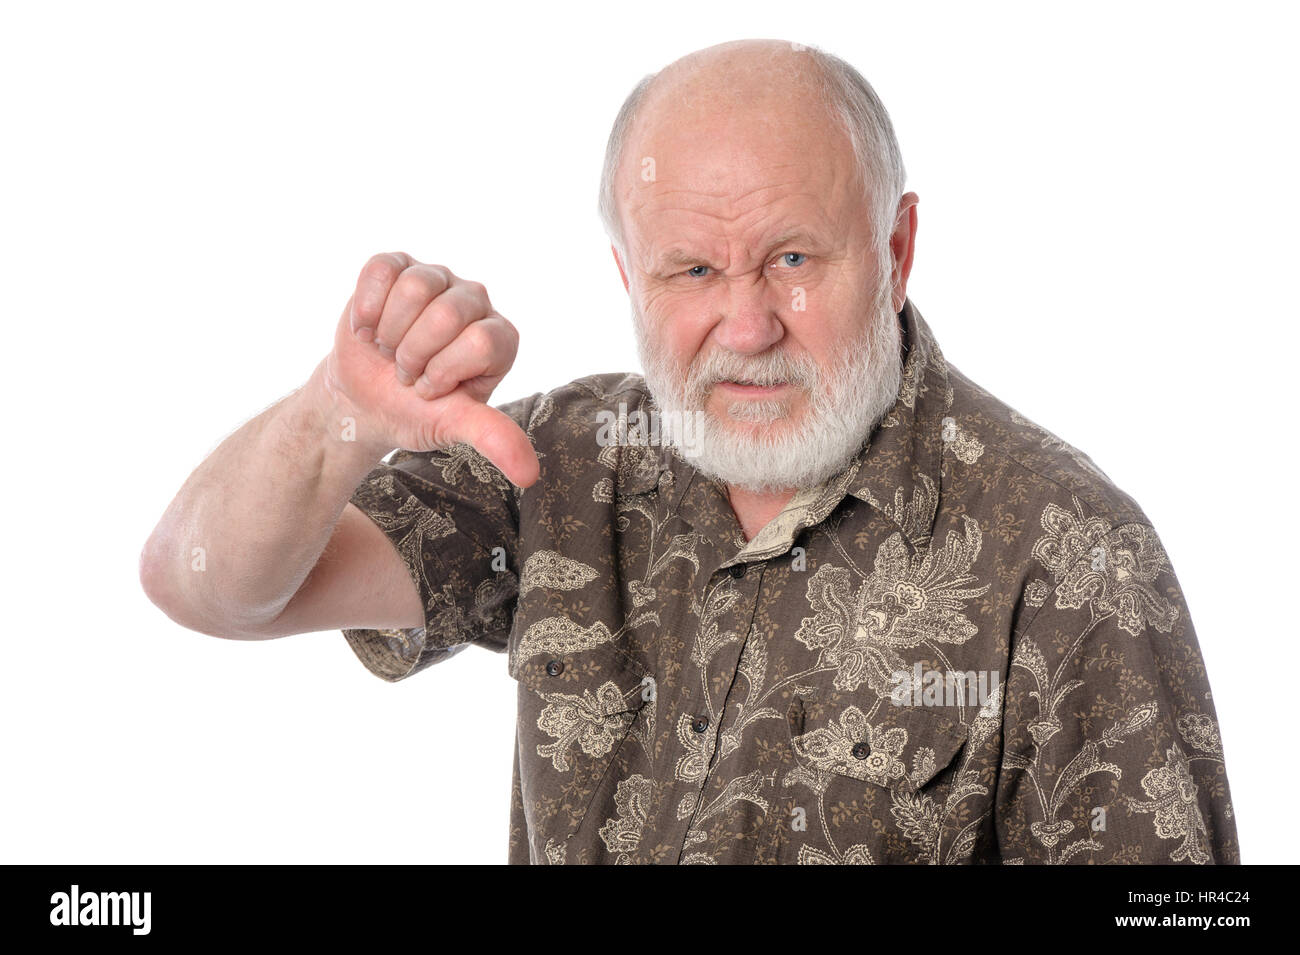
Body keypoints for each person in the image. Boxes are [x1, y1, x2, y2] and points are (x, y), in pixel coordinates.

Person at [141, 38, 1238, 864]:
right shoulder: (562, 463)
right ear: (629, 279)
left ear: (896, 250)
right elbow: (209, 587)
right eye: (693, 273)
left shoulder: (1067, 548)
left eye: (793, 256)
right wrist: (340, 410)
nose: (749, 326)